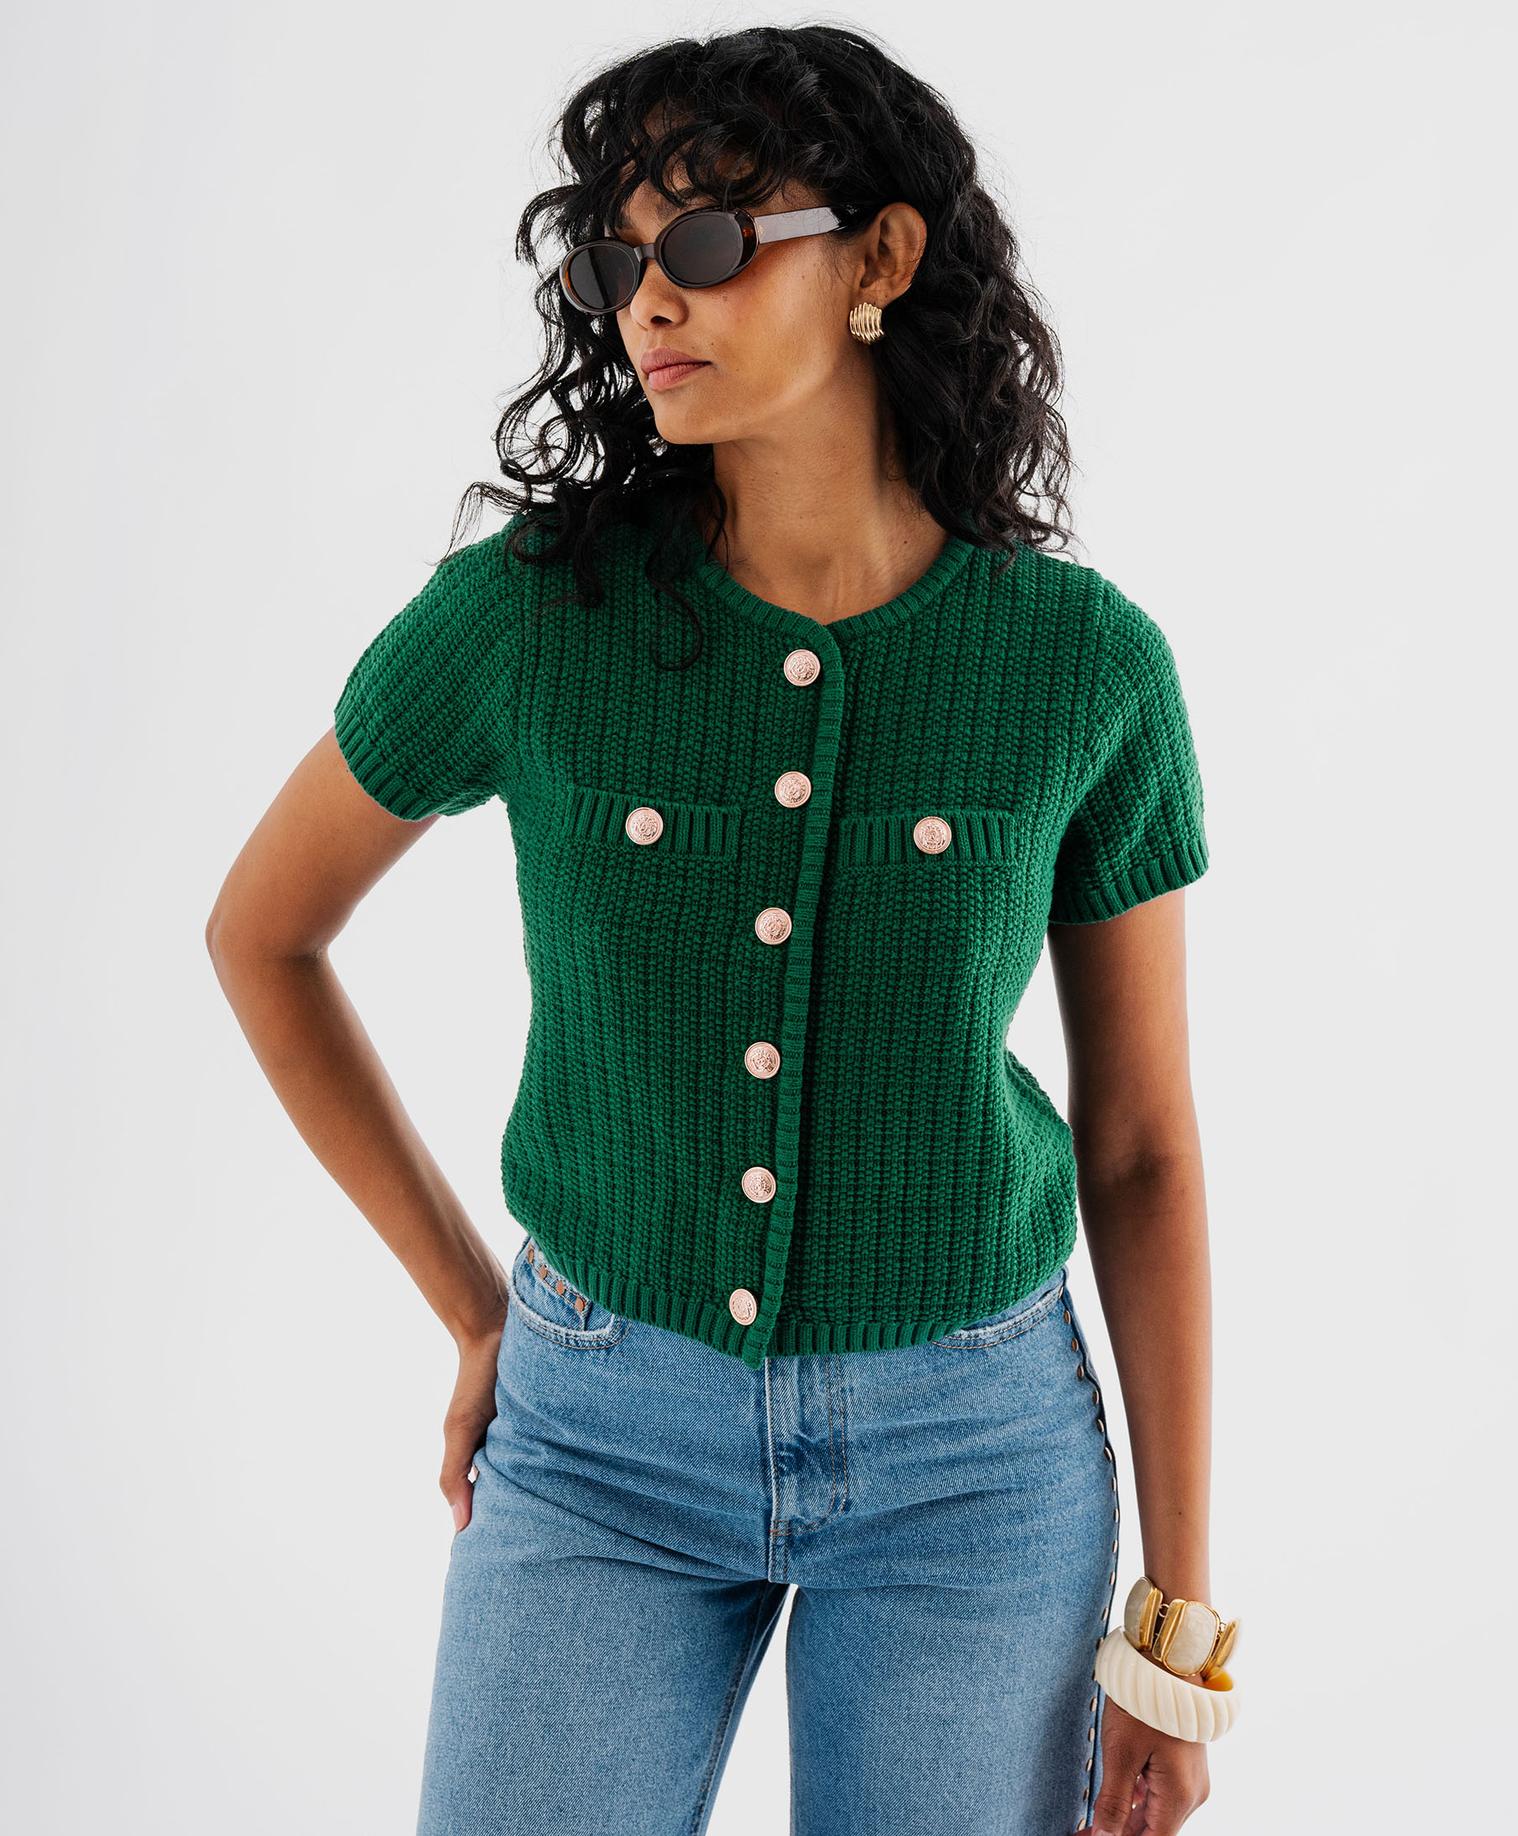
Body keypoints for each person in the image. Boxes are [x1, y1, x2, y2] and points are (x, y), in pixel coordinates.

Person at [206, 23, 1240, 1836]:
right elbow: (262, 934)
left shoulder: (1082, 667)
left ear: (880, 259)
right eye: (616, 266)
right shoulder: (528, 619)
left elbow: (1142, 1149)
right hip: (596, 1444)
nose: (650, 303)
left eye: (704, 241)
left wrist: (1172, 1631)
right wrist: (474, 1311)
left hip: (976, 1470)